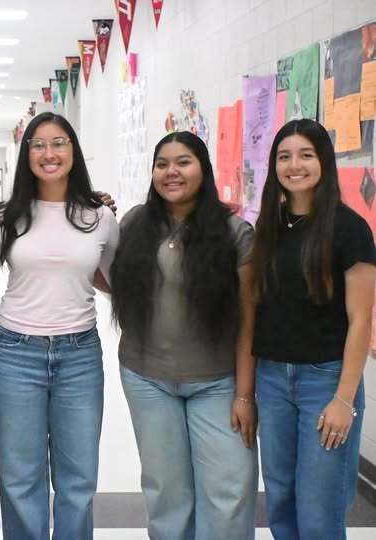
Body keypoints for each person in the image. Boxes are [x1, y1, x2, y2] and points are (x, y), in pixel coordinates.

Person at [0, 112, 118, 540]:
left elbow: (119, 282)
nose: (49, 153)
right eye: (38, 145)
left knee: (78, 480)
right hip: (16, 355)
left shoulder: (99, 217)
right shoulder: (5, 218)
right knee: (20, 479)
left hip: (79, 357)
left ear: (73, 151)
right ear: (26, 154)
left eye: (59, 143)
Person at [109, 131, 258, 539]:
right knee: (166, 492)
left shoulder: (234, 233)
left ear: (204, 169)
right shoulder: (136, 223)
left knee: (228, 491)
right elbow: (113, 283)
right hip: (147, 377)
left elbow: (250, 320)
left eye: (183, 162)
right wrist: (89, 225)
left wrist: (245, 395)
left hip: (218, 382)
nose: (171, 171)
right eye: (162, 164)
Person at [251, 119, 375, 539]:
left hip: (325, 380)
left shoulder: (349, 229)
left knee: (319, 507)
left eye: (306, 155)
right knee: (282, 499)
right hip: (272, 378)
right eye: (284, 156)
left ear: (324, 161)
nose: (294, 165)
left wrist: (344, 399)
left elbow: (361, 319)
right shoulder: (267, 227)